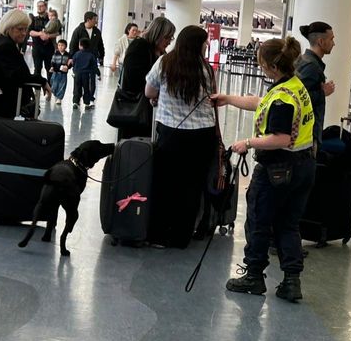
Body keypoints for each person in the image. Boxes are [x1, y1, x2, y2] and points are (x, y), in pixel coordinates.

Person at [216, 36, 316, 303]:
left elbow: (281, 138)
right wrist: (229, 99)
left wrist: (246, 143)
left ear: (271, 66)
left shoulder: (283, 98)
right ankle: (291, 281)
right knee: (288, 223)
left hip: (279, 169)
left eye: (261, 63)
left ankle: (254, 276)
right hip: (304, 166)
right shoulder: (294, 86)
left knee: (260, 220)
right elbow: (263, 103)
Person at [144, 26, 218, 249]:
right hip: (202, 135)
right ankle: (181, 237)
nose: (207, 46)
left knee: (164, 183)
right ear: (198, 44)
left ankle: (157, 234)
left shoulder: (165, 62)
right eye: (205, 42)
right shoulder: (206, 69)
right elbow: (213, 98)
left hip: (171, 133)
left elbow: (149, 91)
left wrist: (159, 99)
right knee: (192, 186)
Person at [0, 9, 49, 128]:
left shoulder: (0, 42)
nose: (23, 33)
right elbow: (15, 76)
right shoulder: (5, 46)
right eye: (20, 29)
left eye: (25, 29)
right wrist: (40, 80)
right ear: (9, 28)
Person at [119, 17, 176, 139]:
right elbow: (133, 78)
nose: (169, 41)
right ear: (158, 34)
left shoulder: (161, 52)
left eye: (171, 38)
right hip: (136, 108)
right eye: (167, 37)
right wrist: (153, 91)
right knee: (134, 145)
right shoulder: (139, 46)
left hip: (150, 109)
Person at [296, 21, 336, 147]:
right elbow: (298, 97)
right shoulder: (311, 66)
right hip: (306, 134)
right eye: (331, 39)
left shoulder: (304, 60)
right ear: (321, 41)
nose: (333, 43)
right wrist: (322, 93)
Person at [28, 1, 59, 82]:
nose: (39, 7)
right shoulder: (34, 19)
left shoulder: (51, 19)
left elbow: (58, 32)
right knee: (37, 69)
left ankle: (50, 88)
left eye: (41, 6)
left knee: (49, 69)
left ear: (45, 7)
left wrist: (48, 36)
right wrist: (40, 34)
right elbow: (30, 32)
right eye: (38, 6)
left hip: (49, 48)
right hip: (37, 48)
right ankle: (37, 89)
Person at [71, 37, 100, 110]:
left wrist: (74, 71)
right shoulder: (91, 55)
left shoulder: (76, 54)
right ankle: (87, 103)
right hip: (86, 75)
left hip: (77, 74)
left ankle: (76, 102)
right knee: (87, 89)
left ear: (80, 46)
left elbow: (73, 63)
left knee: (77, 88)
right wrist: (98, 74)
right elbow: (94, 66)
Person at [50, 39, 71, 105]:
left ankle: (59, 98)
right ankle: (55, 93)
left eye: (62, 45)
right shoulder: (55, 54)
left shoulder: (68, 55)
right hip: (55, 73)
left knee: (62, 86)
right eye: (59, 45)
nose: (60, 47)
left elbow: (70, 63)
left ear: (65, 47)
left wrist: (67, 67)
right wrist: (52, 67)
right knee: (54, 85)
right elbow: (52, 62)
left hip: (63, 74)